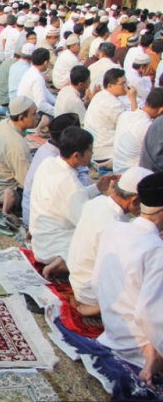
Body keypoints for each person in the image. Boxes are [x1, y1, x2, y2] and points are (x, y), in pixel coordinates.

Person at [93, 172, 163, 383]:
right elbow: (146, 313)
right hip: (138, 346)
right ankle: (153, 358)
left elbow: (96, 281)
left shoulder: (114, 227)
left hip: (112, 331)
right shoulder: (156, 250)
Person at [30, 127, 115, 277]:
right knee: (104, 246)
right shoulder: (68, 182)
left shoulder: (49, 163)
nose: (92, 154)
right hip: (56, 246)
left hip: (40, 240)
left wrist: (98, 187)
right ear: (76, 155)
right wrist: (113, 201)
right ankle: (62, 263)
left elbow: (71, 196)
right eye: (89, 151)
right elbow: (85, 224)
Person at [69, 167, 151, 317]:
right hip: (93, 294)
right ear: (134, 200)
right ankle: (97, 309)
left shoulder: (97, 202)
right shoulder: (116, 225)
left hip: (79, 282)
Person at [21, 113, 91, 229]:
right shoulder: (65, 175)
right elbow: (83, 217)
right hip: (45, 227)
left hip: (35, 218)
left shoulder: (49, 159)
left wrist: (98, 187)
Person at [0, 95, 36, 218]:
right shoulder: (17, 145)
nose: (37, 117)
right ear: (21, 118)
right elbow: (27, 183)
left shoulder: (3, 124)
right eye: (34, 114)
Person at [84, 68, 137, 168]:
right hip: (106, 151)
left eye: (126, 82)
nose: (126, 87)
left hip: (95, 148)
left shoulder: (100, 95)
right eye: (123, 83)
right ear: (110, 86)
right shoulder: (113, 104)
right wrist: (133, 99)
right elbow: (134, 125)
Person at [113, 88, 163, 173]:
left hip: (117, 169)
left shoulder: (124, 115)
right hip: (136, 174)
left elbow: (137, 115)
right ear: (161, 110)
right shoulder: (149, 127)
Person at [18, 48, 56, 132]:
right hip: (28, 114)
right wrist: (57, 111)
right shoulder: (37, 77)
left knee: (54, 107)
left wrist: (57, 104)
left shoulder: (30, 72)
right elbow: (40, 104)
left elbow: (47, 94)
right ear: (46, 62)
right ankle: (40, 127)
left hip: (24, 109)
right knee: (58, 117)